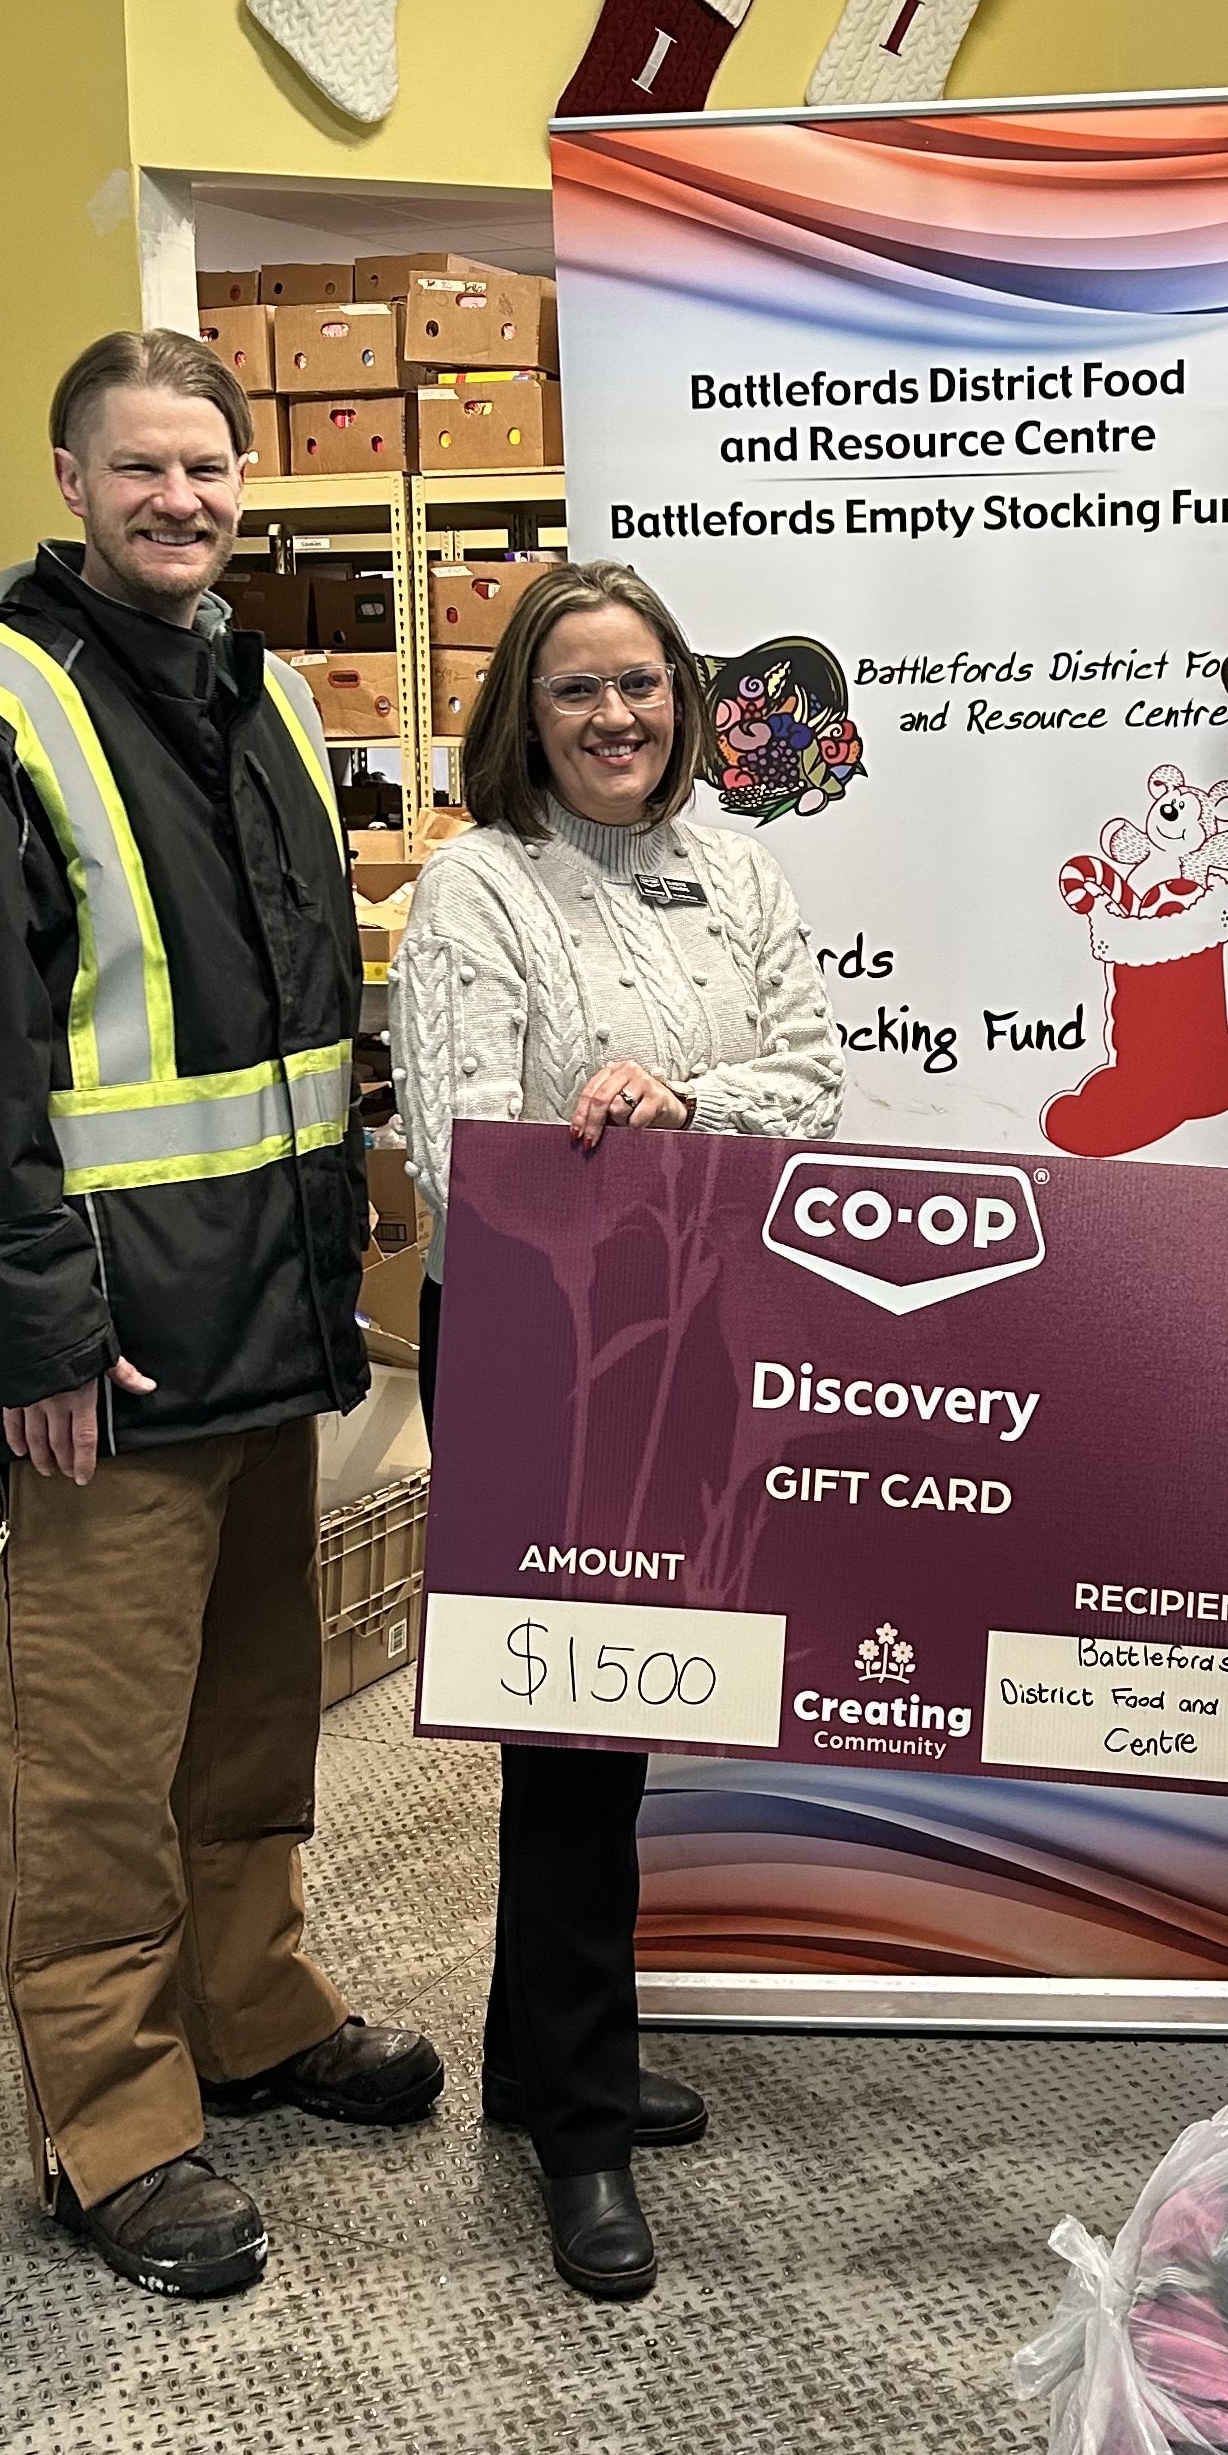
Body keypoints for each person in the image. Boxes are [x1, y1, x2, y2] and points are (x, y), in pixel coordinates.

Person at [0, 331, 441, 2301]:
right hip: (107, 1363)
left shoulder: (269, 694)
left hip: (267, 1320)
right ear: (69, 481)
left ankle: (253, 2003)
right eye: (140, 471)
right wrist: (36, 1336)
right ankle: (110, 2120)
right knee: (94, 1752)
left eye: (206, 471)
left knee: (248, 1717)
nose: (180, 502)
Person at [390, 559, 841, 2301]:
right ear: (528, 709)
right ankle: (578, 2132)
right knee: (569, 1732)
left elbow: (808, 1082)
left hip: (705, 1325)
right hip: (539, 1345)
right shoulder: (474, 892)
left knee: (636, 1703)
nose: (615, 717)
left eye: (641, 682)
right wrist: (611, 1162)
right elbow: (458, 1155)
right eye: (577, 688)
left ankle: (536, 2057)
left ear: (685, 697)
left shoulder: (741, 870)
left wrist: (681, 1109)